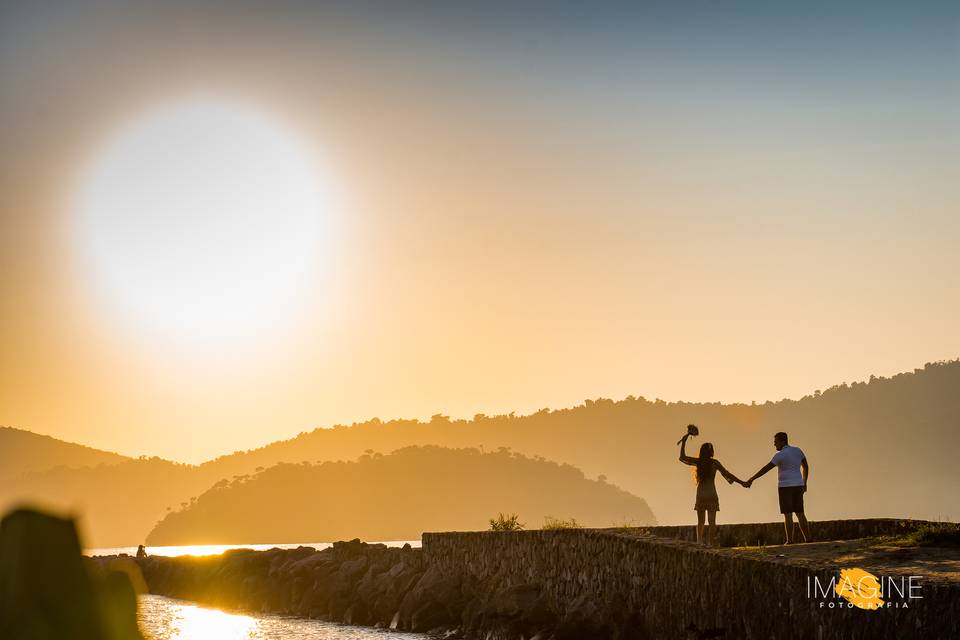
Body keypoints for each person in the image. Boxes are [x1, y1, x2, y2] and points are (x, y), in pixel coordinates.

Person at [678, 426, 747, 545]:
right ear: (712, 452)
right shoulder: (715, 463)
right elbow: (728, 474)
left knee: (701, 521)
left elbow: (682, 458)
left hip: (701, 494)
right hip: (712, 494)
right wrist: (742, 482)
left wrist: (684, 442)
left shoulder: (698, 462)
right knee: (712, 521)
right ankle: (710, 543)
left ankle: (699, 542)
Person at [745, 431, 810, 544]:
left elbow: (765, 469)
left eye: (776, 442)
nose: (774, 444)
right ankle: (808, 539)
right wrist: (805, 482)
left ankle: (790, 540)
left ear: (782, 441)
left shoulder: (780, 455)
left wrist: (752, 478)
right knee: (800, 513)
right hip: (798, 485)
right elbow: (805, 466)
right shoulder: (798, 451)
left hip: (785, 487)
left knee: (788, 514)